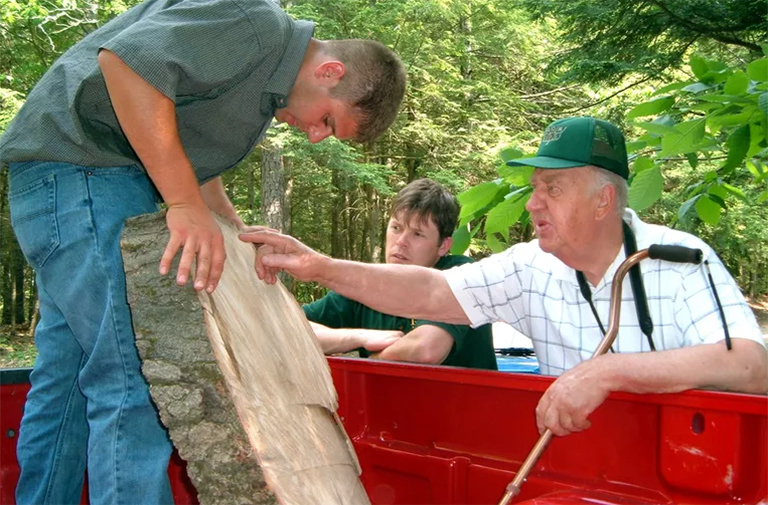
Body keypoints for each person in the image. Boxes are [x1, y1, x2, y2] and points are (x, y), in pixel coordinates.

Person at [0, 0, 406, 502]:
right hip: (85, 173)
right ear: (329, 71)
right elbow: (125, 65)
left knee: (66, 381)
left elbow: (185, 152)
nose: (316, 135)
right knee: (137, 380)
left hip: (67, 183)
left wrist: (234, 233)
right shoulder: (254, 22)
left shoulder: (265, 87)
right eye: (327, 119)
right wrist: (182, 203)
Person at [242, 116, 767, 439]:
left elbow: (750, 366)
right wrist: (321, 266)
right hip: (578, 465)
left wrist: (606, 373)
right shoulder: (529, 266)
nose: (534, 203)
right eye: (535, 186)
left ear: (604, 200)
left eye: (553, 188)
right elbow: (431, 290)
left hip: (682, 470)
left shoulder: (678, 261)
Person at [304, 179, 496, 370]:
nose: (401, 241)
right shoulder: (366, 284)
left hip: (467, 400)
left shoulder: (460, 275)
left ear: (443, 246)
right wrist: (359, 337)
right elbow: (291, 326)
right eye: (396, 228)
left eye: (417, 234)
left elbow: (426, 349)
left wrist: (372, 361)